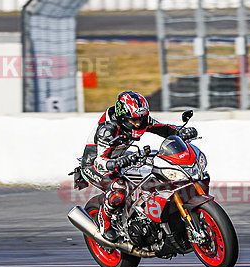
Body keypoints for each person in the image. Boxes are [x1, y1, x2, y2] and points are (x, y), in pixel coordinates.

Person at [73, 91, 197, 242]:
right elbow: (100, 161)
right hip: (95, 165)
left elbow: (163, 128)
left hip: (121, 156)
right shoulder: (108, 130)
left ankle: (149, 215)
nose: (139, 123)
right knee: (119, 187)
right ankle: (104, 222)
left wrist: (180, 131)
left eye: (142, 118)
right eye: (134, 120)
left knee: (155, 172)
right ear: (123, 117)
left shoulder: (141, 120)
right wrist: (117, 163)